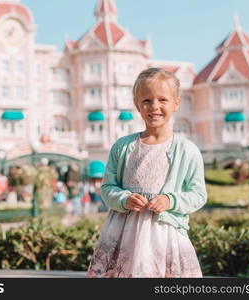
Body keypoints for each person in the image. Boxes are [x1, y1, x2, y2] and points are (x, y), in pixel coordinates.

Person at [87, 68, 207, 278]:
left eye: (163, 100)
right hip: (123, 236)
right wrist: (124, 198)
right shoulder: (123, 147)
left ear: (176, 103)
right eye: (146, 101)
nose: (155, 107)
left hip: (166, 235)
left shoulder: (187, 151)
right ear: (137, 105)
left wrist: (170, 200)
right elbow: (107, 188)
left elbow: (198, 194)